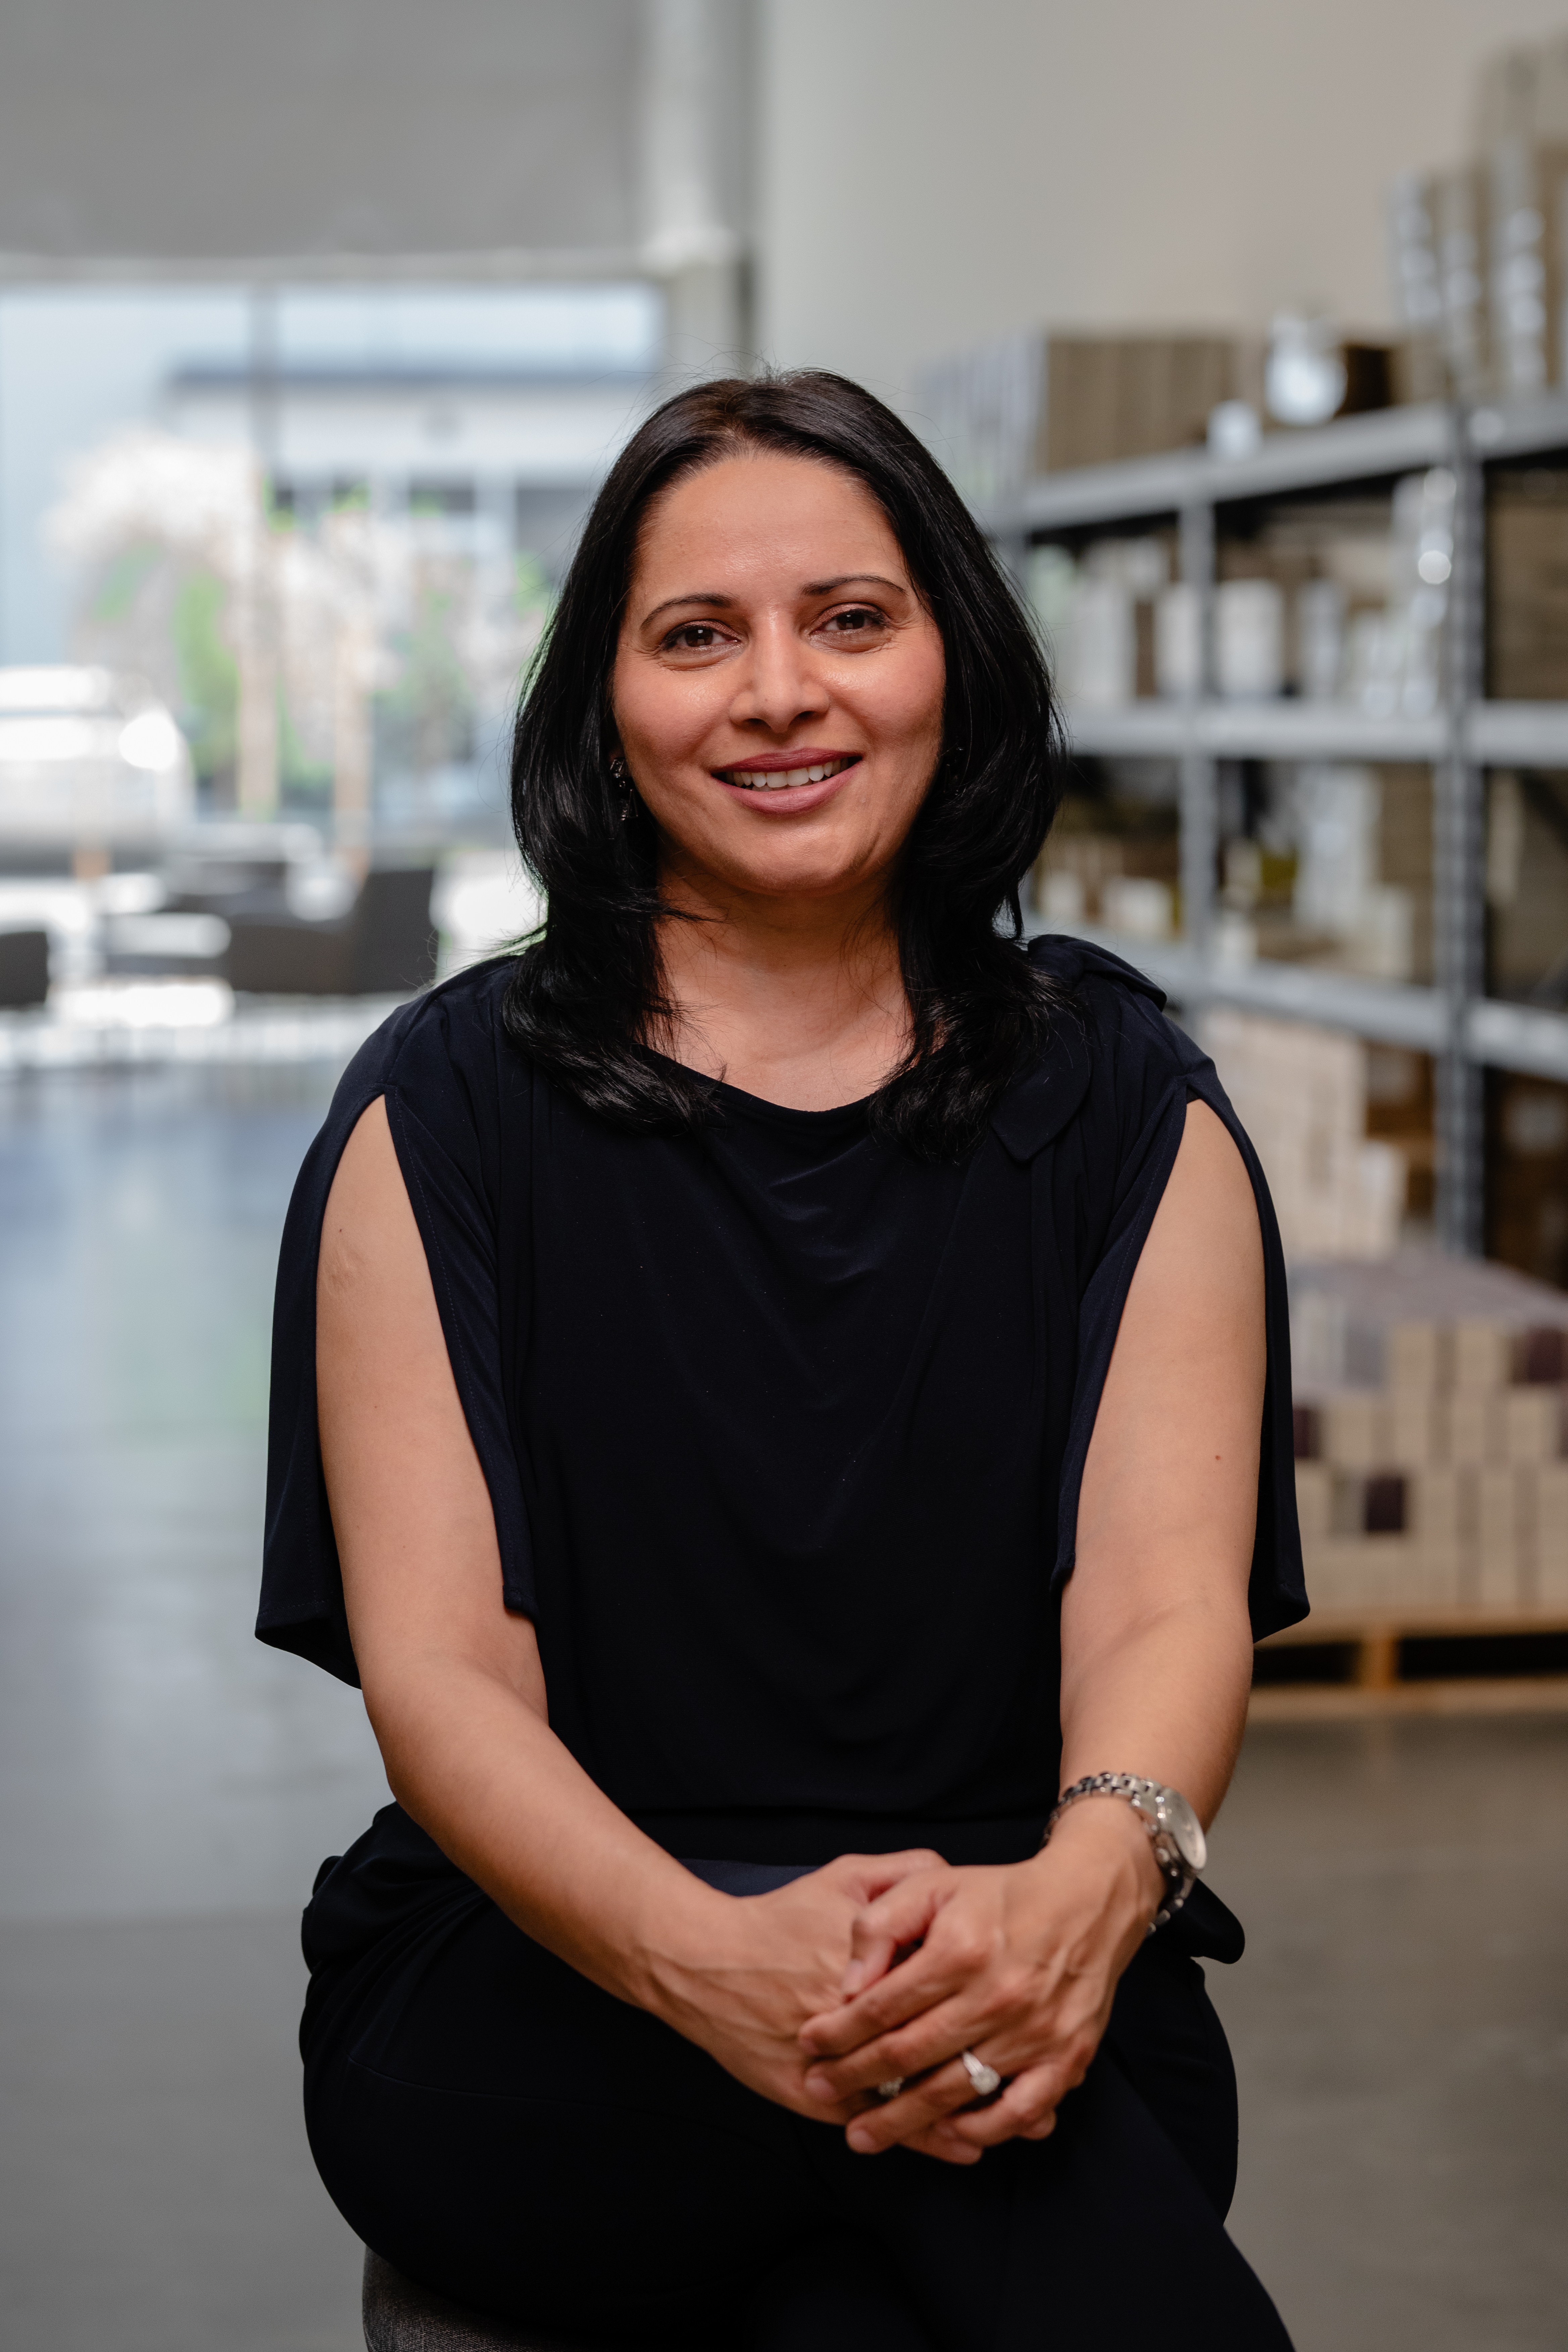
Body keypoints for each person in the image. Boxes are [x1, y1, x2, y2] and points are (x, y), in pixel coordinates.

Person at [257, 370, 1306, 2350]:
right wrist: (710, 1956)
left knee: (898, 2228)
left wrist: (1086, 1891)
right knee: (1018, 2174)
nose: (779, 693)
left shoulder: (1125, 1102)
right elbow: (443, 1674)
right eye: (695, 636)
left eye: (849, 619)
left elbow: (1164, 1604)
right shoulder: (445, 1108)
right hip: (552, 1975)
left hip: (1021, 1947)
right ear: (604, 702)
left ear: (951, 659)